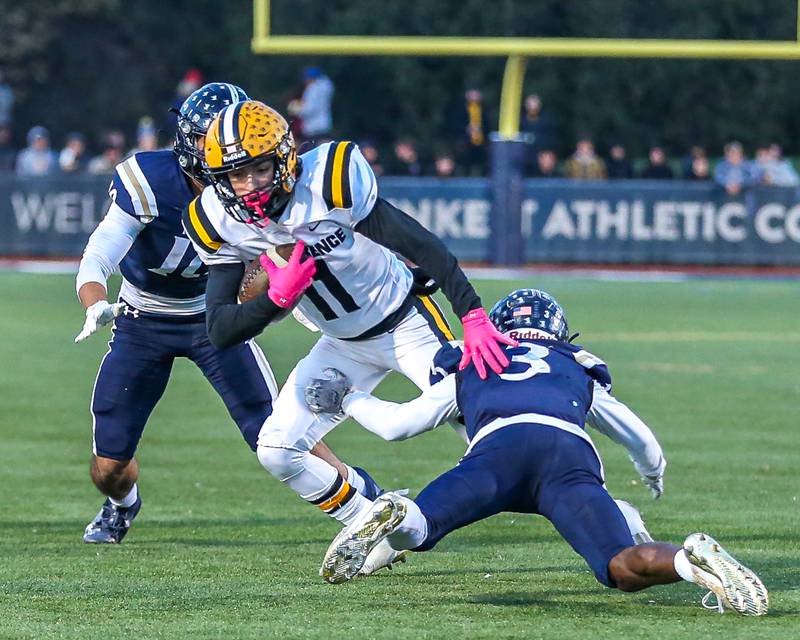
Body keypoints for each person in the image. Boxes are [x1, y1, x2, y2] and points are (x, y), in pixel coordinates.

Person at [181, 100, 515, 560]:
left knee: (487, 425)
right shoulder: (216, 218)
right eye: (236, 176)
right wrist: (275, 299)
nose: (249, 185)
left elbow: (418, 242)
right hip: (340, 345)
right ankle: (369, 521)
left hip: (404, 323)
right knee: (276, 450)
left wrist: (473, 315)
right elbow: (219, 329)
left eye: (258, 169)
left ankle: (593, 504)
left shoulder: (330, 179)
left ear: (284, 159)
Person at [310, 289, 769, 619]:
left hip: (498, 452)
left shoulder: (470, 362)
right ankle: (689, 561)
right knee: (619, 566)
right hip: (567, 460)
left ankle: (397, 511)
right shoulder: (575, 366)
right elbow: (640, 438)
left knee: (422, 529)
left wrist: (348, 399)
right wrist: (653, 473)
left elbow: (397, 426)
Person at [75, 84, 382, 545]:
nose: (228, 154)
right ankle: (123, 503)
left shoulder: (260, 186)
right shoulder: (150, 180)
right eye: (211, 140)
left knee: (272, 427)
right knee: (109, 465)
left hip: (211, 319)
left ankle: (366, 501)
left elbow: (271, 264)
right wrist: (95, 298)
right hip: (143, 318)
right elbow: (101, 250)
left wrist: (271, 277)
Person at [299, 66, 334, 144]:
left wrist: (298, 110)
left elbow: (309, 109)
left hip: (312, 128)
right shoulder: (326, 87)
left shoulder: (312, 89)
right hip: (324, 125)